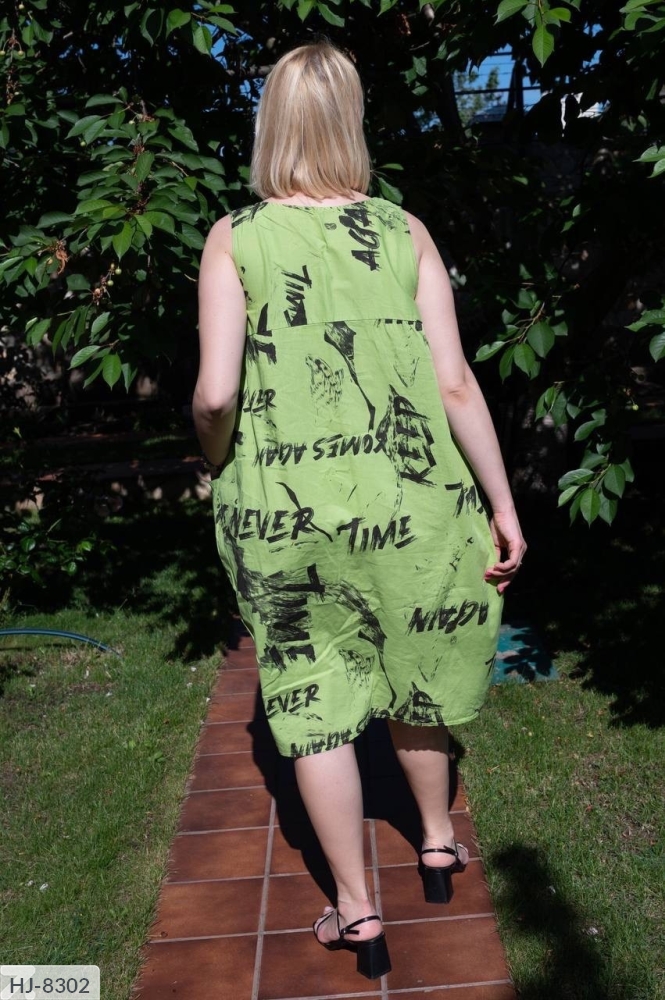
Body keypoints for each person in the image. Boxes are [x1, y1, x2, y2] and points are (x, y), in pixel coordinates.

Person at [193, 41, 526, 980]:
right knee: (417, 673)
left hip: (282, 512)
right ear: (352, 122)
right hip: (412, 505)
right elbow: (453, 384)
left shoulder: (235, 237)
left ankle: (357, 910)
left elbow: (216, 395)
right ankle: (435, 843)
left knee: (314, 702)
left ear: (270, 124)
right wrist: (502, 503)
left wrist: (216, 458)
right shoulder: (404, 230)